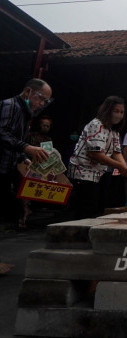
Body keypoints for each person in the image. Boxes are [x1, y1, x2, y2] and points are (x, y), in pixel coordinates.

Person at [0, 78, 52, 273]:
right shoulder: (10, 106)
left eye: (46, 101)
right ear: (28, 91)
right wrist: (27, 148)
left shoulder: (25, 113)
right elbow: (2, 133)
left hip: (7, 168)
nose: (42, 104)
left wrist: (24, 156)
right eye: (41, 99)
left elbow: (16, 141)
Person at [67, 96, 127, 219]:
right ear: (107, 110)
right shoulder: (96, 125)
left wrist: (125, 168)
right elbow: (95, 154)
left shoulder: (114, 131)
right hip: (83, 172)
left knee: (97, 209)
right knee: (84, 210)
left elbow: (117, 152)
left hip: (99, 174)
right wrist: (119, 166)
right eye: (116, 111)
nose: (119, 115)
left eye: (121, 112)